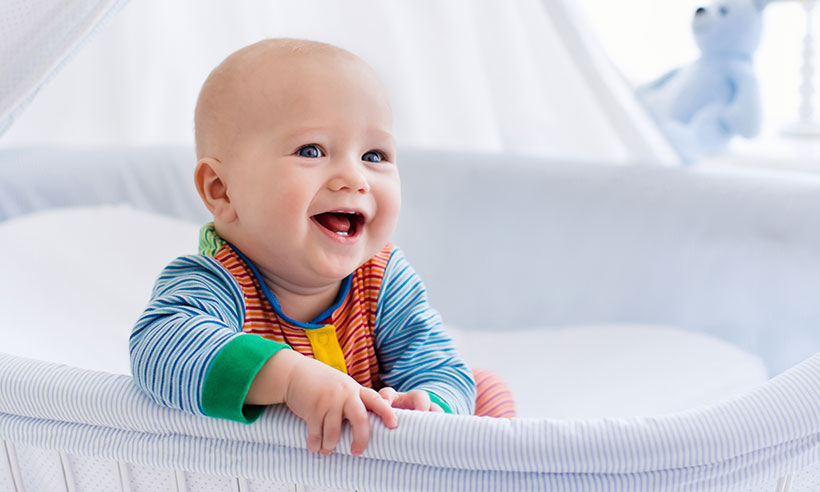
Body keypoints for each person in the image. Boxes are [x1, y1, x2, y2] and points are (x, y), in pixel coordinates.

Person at [129, 38, 514, 458]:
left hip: (375, 454)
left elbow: (436, 364)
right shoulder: (217, 280)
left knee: (485, 389)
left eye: (374, 155)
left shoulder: (382, 277)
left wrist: (428, 405)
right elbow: (159, 346)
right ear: (222, 189)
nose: (355, 178)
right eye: (311, 151)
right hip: (275, 464)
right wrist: (291, 379)